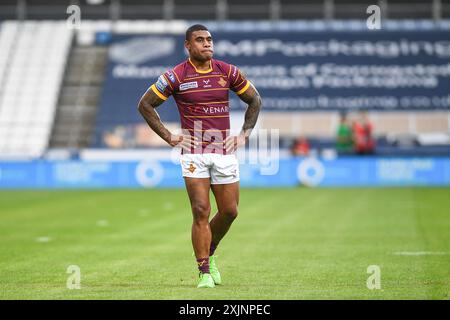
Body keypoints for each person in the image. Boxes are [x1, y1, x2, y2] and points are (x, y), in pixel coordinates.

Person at [138, 24, 262, 288]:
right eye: (200, 40)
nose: (207, 44)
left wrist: (244, 135)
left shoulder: (227, 71)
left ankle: (211, 249)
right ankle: (204, 271)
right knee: (200, 210)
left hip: (223, 152)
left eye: (209, 39)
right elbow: (145, 104)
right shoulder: (176, 76)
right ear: (188, 45)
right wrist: (169, 136)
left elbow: (255, 100)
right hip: (194, 153)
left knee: (229, 211)